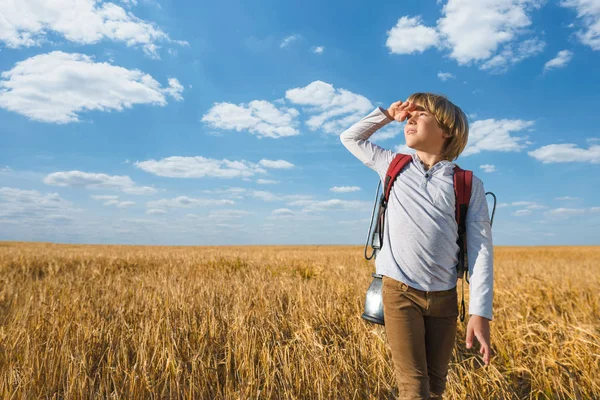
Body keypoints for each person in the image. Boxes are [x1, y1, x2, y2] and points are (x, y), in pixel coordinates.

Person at [340, 93, 494, 399]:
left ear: (447, 129)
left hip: (444, 299)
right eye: (409, 116)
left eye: (421, 114)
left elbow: (481, 250)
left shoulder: (466, 183)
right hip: (399, 292)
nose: (410, 119)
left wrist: (480, 312)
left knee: (436, 387)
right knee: (414, 388)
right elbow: (350, 137)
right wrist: (386, 114)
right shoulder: (392, 165)